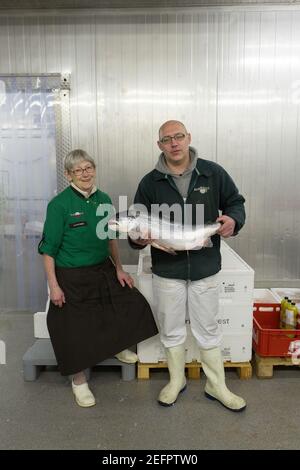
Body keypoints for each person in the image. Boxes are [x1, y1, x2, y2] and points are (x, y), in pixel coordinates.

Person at [129, 120, 246, 412]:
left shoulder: (213, 172)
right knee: (171, 327)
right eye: (167, 139)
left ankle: (216, 385)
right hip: (167, 271)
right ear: (160, 145)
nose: (174, 143)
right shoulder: (149, 183)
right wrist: (139, 239)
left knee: (207, 328)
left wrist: (234, 219)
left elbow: (235, 203)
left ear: (188, 137)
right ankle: (176, 380)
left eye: (178, 136)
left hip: (205, 265)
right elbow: (135, 231)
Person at [38, 149, 158, 408]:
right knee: (72, 327)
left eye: (88, 167)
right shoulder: (59, 205)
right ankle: (78, 380)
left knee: (130, 303)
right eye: (78, 170)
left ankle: (116, 345)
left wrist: (118, 269)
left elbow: (110, 238)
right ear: (68, 175)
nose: (85, 173)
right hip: (70, 273)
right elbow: (47, 250)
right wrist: (54, 286)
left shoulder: (103, 199)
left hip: (102, 268)